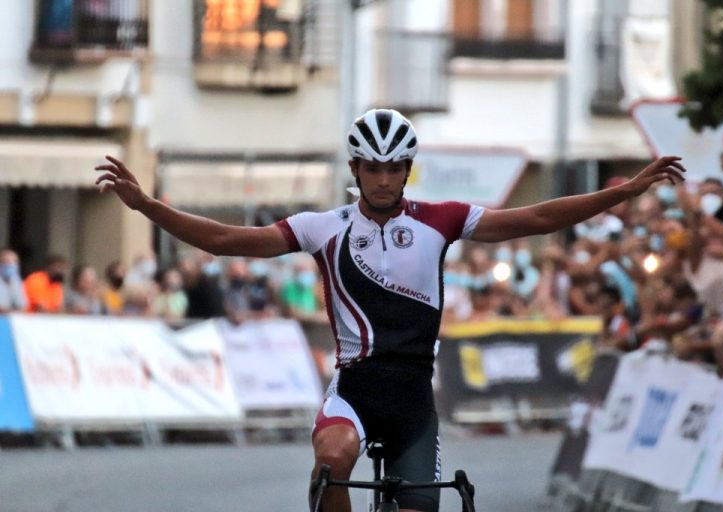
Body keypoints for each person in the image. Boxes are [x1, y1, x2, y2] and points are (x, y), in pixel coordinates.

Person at [95, 108, 686, 512]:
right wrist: (145, 205)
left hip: (412, 399)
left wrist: (623, 192)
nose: (383, 179)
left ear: (408, 169)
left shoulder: (441, 220)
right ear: (355, 170)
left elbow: (534, 220)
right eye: (371, 168)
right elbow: (225, 240)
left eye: (393, 167)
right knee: (332, 457)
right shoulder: (322, 228)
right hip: (354, 388)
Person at [0, 248, 27, 313]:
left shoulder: (16, 280)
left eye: (14, 262)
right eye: (7, 262)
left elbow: (22, 306)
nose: (11, 265)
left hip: (9, 319)